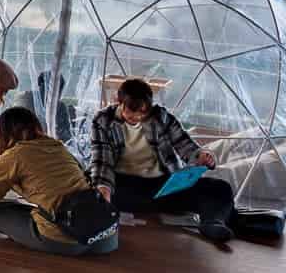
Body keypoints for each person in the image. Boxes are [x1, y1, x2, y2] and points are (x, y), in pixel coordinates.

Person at [0, 107, 117, 256]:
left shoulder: (14, 156)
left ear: (4, 133)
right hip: (105, 236)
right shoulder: (56, 146)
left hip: (66, 239)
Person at [88, 78, 236, 242]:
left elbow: (185, 145)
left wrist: (201, 156)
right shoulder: (102, 120)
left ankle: (212, 223)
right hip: (123, 186)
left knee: (220, 188)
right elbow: (102, 160)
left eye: (143, 112)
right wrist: (104, 191)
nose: (137, 116)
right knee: (89, 186)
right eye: (132, 111)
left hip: (161, 187)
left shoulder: (161, 116)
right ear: (119, 101)